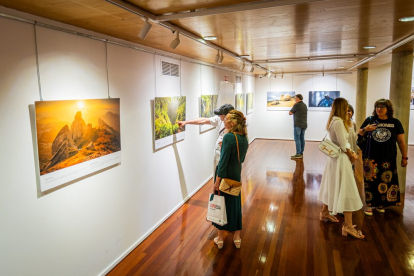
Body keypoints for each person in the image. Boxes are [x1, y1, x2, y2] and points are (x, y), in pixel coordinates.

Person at [318, 98, 364, 239]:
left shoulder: (333, 120)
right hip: (341, 160)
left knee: (332, 185)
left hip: (335, 159)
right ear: (342, 107)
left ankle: (325, 212)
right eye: (346, 107)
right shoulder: (338, 122)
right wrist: (353, 155)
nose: (348, 110)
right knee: (347, 189)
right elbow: (344, 145)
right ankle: (348, 226)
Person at [358, 99, 408, 216]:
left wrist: (404, 157)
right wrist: (366, 129)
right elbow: (359, 133)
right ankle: (369, 205)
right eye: (377, 106)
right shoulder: (370, 120)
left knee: (385, 180)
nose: (379, 109)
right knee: (370, 181)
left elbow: (401, 141)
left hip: (388, 157)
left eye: (382, 106)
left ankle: (381, 203)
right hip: (370, 157)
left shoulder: (395, 123)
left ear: (388, 109)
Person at [212, 110, 248, 249]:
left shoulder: (228, 138)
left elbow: (222, 163)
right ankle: (237, 237)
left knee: (220, 204)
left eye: (226, 119)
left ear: (232, 123)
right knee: (235, 204)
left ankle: (220, 239)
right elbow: (242, 159)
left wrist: (216, 181)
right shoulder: (244, 137)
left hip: (224, 176)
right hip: (235, 175)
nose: (223, 121)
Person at [176, 104, 234, 170]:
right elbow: (203, 120)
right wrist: (186, 122)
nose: (218, 116)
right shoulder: (219, 119)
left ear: (226, 116)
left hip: (228, 157)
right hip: (218, 154)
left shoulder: (236, 128)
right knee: (217, 172)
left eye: (221, 115)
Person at [289, 94, 307, 159]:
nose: (295, 99)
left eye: (295, 98)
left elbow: (290, 113)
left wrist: (293, 106)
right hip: (304, 124)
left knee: (297, 139)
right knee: (302, 138)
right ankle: (301, 152)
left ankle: (298, 154)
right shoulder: (304, 105)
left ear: (298, 98)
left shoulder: (296, 105)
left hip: (298, 125)